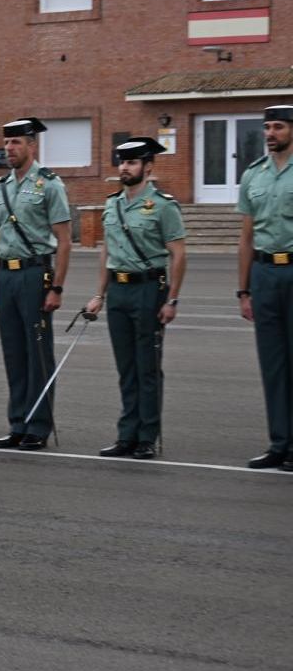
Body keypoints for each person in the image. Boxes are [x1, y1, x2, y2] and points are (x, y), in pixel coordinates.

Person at [83, 137, 186, 460]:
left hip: (148, 289)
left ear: (148, 167)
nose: (124, 168)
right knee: (126, 367)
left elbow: (179, 255)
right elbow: (107, 252)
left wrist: (172, 300)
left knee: (148, 368)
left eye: (131, 163)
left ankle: (147, 436)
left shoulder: (164, 205)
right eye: (122, 163)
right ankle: (126, 434)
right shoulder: (112, 204)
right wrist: (99, 294)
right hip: (119, 291)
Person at [0, 117, 71, 451]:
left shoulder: (50, 185)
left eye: (16, 143)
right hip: (7, 275)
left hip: (35, 275)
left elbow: (64, 240)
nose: (9, 149)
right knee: (14, 354)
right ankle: (17, 423)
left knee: (37, 354)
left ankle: (38, 425)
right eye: (6, 143)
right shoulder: (1, 188)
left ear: (32, 145)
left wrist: (57, 287)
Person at [236, 105, 293, 470]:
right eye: (267, 127)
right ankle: (280, 442)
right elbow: (245, 237)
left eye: (278, 127)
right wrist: (243, 291)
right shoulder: (253, 175)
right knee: (272, 365)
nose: (270, 133)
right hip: (264, 274)